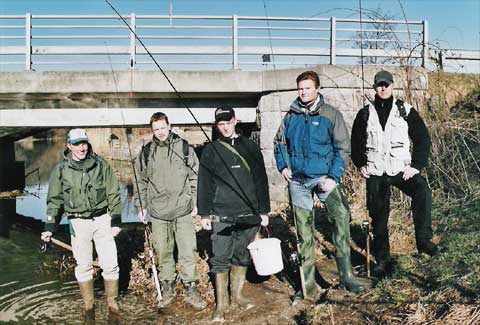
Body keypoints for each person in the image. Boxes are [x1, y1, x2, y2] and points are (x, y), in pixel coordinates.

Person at [273, 70, 364, 303]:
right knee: (303, 233)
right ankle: (308, 285)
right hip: (298, 183)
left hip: (325, 179)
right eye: (300, 88)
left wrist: (333, 177)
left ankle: (346, 275)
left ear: (317, 89)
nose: (303, 92)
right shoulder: (290, 116)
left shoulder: (331, 115)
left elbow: (343, 148)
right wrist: (283, 166)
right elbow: (279, 143)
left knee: (341, 218)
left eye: (307, 88)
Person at [351, 70, 441, 276]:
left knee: (423, 192)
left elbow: (423, 139)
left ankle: (424, 241)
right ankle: (383, 260)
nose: (383, 88)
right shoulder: (365, 113)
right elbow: (355, 143)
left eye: (387, 85)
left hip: (401, 169)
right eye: (380, 85)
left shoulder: (405, 110)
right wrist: (360, 164)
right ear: (374, 88)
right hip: (376, 171)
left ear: (392, 86)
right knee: (379, 216)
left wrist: (416, 166)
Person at [198, 107, 270, 322]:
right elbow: (205, 184)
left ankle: (238, 294)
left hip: (249, 213)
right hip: (222, 214)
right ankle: (222, 304)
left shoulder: (250, 147)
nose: (225, 127)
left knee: (242, 254)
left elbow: (261, 180)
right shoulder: (210, 150)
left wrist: (264, 211)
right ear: (216, 126)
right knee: (220, 257)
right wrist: (204, 213)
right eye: (220, 124)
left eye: (228, 122)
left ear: (235, 121)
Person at [40, 128, 122, 318]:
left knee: (110, 263)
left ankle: (112, 303)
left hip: (102, 219)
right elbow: (54, 202)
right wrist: (49, 228)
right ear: (69, 146)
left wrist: (116, 220)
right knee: (83, 266)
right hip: (77, 222)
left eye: (84, 143)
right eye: (77, 144)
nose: (81, 148)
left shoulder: (101, 165)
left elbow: (113, 193)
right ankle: (88, 307)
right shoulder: (60, 170)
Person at [135, 112, 206, 310]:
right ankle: (167, 287)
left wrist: (195, 201)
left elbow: (195, 175)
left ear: (169, 126)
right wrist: (140, 206)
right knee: (163, 251)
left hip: (182, 209)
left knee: (187, 250)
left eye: (162, 128)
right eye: (156, 129)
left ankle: (191, 287)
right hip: (158, 212)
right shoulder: (146, 152)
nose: (160, 132)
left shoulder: (184, 147)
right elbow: (140, 181)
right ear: (152, 130)